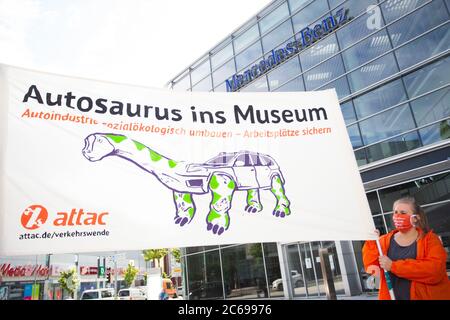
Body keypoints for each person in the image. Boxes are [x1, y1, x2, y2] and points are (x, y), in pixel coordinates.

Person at [362, 196, 450, 300]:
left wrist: (393, 266)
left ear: (416, 218)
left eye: (403, 213)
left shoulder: (430, 240)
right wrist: (372, 242)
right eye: (395, 212)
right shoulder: (384, 241)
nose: (397, 216)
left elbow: (435, 271)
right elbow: (372, 269)